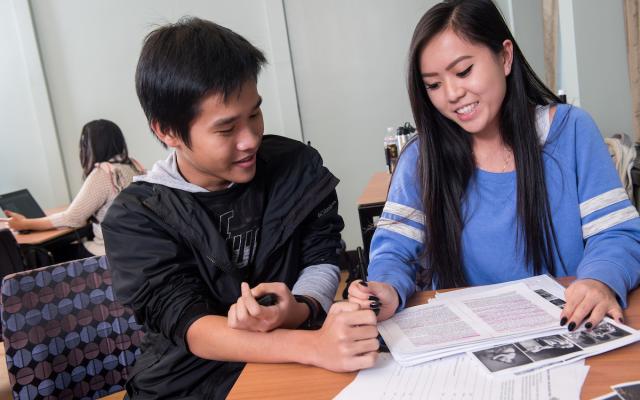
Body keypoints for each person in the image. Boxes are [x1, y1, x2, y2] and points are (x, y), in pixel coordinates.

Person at [101, 18, 379, 399]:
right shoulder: (139, 215)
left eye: (255, 115)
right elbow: (192, 326)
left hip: (294, 366)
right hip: (190, 383)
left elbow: (322, 256)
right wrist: (313, 346)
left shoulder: (295, 166)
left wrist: (298, 308)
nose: (250, 139)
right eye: (226, 129)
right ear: (167, 131)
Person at [349, 0, 640, 332]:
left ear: (505, 56)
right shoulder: (421, 157)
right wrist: (384, 288)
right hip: (463, 343)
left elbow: (616, 234)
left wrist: (599, 280)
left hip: (565, 329)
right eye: (433, 84)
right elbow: (395, 253)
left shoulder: (570, 131)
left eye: (463, 71)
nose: (453, 93)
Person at [5, 119, 143, 260]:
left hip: (109, 253)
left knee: (44, 254)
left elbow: (72, 218)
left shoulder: (105, 173)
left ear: (90, 147)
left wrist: (25, 223)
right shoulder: (133, 166)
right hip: (135, 247)